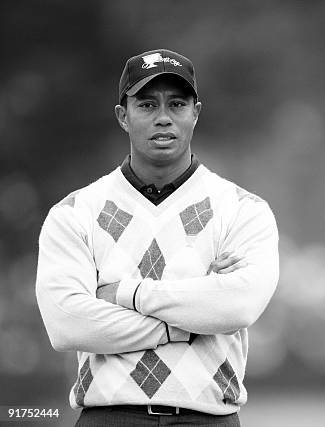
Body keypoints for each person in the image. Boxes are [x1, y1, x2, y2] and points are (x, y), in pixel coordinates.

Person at [35, 49, 279, 427]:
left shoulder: (243, 209)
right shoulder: (74, 212)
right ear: (123, 116)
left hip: (209, 418)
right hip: (109, 418)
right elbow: (68, 325)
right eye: (147, 104)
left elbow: (238, 307)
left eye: (177, 104)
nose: (163, 117)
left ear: (195, 113)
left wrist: (121, 294)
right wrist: (193, 312)